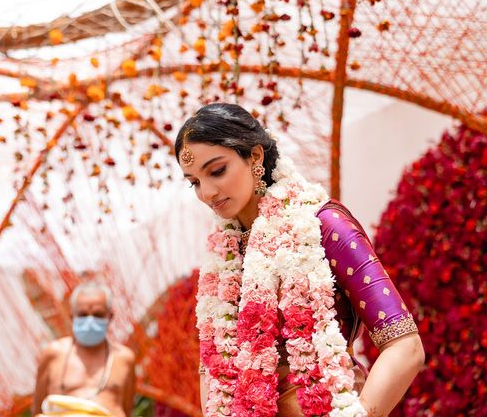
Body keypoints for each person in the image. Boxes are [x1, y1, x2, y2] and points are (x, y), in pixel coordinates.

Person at [175, 103, 425, 417]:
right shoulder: (224, 257)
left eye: (216, 171)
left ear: (254, 156)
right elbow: (210, 367)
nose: (208, 192)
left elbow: (405, 346)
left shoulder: (323, 226)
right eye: (194, 182)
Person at [32, 281, 136, 417]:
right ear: (72, 317)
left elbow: (127, 407)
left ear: (110, 317)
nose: (90, 320)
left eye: (98, 314)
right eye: (83, 314)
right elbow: (38, 408)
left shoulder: (124, 358)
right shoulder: (53, 353)